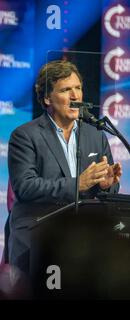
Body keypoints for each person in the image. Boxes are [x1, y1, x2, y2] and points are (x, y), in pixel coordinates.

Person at [7, 60, 122, 277]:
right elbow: (25, 187)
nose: (75, 96)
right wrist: (78, 184)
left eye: (78, 88)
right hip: (36, 238)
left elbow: (103, 193)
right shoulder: (25, 136)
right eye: (66, 89)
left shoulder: (96, 135)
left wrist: (106, 186)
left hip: (81, 242)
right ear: (47, 98)